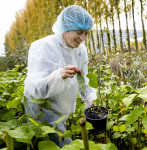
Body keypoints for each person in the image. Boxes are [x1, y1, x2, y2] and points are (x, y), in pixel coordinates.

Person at [23, 5, 97, 147]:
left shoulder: (80, 51)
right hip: (41, 112)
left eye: (86, 33)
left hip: (61, 113)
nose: (83, 38)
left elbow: (84, 80)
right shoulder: (46, 46)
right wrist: (58, 75)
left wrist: (90, 100)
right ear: (66, 27)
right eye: (79, 32)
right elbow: (34, 88)